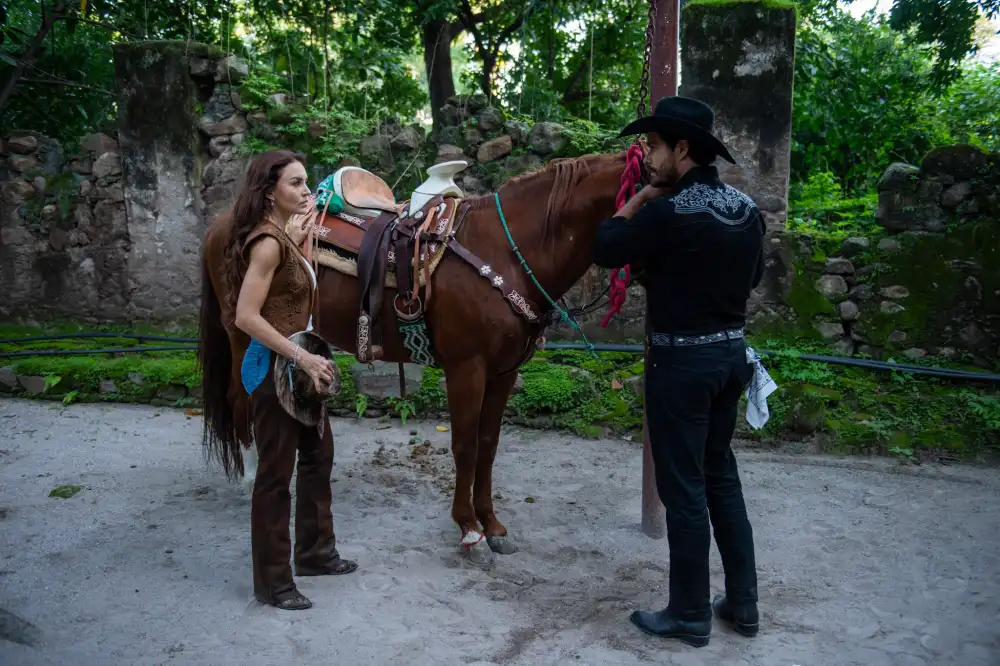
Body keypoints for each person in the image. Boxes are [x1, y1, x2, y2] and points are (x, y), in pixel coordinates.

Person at [591, 97, 764, 647]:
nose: (648, 156)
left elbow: (605, 246)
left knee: (683, 490)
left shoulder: (668, 212)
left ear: (683, 150)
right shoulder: (746, 209)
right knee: (721, 479)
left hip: (681, 364)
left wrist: (640, 197)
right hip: (730, 358)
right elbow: (754, 276)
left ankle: (689, 613)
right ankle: (742, 603)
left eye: (656, 146)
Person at [216, 149, 358, 611]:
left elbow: (293, 297)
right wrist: (301, 356)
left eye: (305, 182)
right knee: (275, 477)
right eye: (295, 183)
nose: (305, 190)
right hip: (271, 369)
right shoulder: (268, 243)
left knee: (319, 456)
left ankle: (315, 554)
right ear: (269, 190)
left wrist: (301, 244)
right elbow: (244, 317)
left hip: (298, 369)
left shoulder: (285, 238)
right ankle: (273, 583)